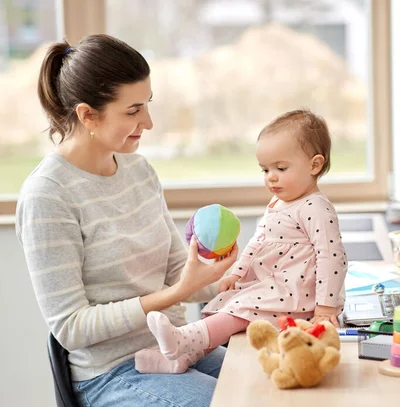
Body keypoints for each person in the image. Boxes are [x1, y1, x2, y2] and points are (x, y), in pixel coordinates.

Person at [15, 34, 238, 407]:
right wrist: (177, 293)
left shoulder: (137, 169)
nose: (148, 122)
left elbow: (176, 271)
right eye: (133, 111)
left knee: (268, 386)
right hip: (111, 373)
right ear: (87, 115)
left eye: (147, 105)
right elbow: (71, 327)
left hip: (179, 346)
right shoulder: (48, 196)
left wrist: (229, 278)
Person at [136, 109, 348, 373]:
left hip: (294, 294)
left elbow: (332, 257)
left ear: (314, 165)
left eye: (281, 168)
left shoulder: (315, 207)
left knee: (237, 311)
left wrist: (326, 308)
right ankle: (183, 356)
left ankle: (183, 339)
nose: (271, 176)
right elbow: (257, 242)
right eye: (265, 169)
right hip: (272, 286)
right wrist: (236, 272)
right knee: (227, 301)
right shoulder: (278, 202)